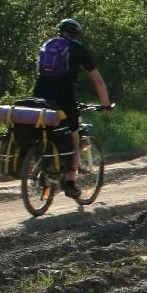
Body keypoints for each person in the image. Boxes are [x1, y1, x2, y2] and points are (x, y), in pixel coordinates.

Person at [33, 18, 112, 198]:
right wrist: (106, 104)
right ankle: (70, 181)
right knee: (74, 136)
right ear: (76, 33)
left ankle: (42, 165)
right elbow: (98, 80)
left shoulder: (48, 45)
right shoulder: (78, 48)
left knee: (45, 130)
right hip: (63, 95)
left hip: (39, 93)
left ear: (60, 31)